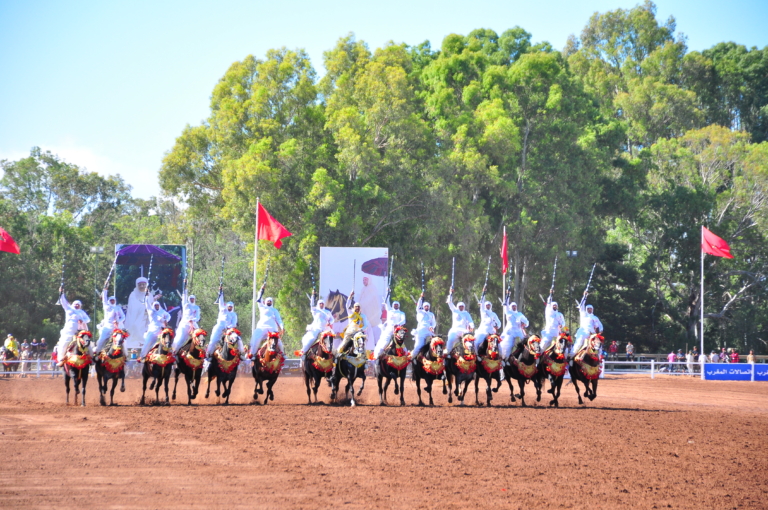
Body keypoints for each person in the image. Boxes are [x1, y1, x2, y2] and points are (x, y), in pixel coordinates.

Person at [55, 289, 90, 366]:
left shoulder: (82, 312)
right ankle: (60, 359)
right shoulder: (68, 308)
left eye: (78, 304)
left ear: (80, 306)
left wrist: (82, 320)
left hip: (80, 332)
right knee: (64, 344)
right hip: (69, 331)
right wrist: (61, 292)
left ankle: (91, 359)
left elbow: (88, 319)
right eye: (75, 304)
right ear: (73, 304)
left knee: (88, 344)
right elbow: (63, 301)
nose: (77, 305)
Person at [299, 292, 334, 364]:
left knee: (330, 342)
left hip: (325, 329)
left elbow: (332, 319)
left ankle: (334, 357)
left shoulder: (327, 312)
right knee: (312, 339)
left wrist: (330, 323)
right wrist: (312, 296)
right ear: (318, 304)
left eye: (322, 304)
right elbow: (311, 304)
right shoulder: (315, 310)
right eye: (320, 304)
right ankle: (303, 353)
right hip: (316, 329)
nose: (321, 305)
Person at [206, 291, 243, 359]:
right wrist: (221, 292)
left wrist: (227, 328)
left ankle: (241, 354)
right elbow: (221, 301)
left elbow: (234, 323)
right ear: (226, 306)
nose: (230, 308)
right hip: (219, 328)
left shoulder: (234, 314)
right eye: (229, 307)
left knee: (238, 339)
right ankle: (208, 355)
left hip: (229, 330)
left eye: (231, 307)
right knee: (212, 341)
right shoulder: (222, 310)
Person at [250, 285, 285, 355]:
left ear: (272, 302)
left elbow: (279, 319)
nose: (269, 302)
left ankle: (283, 354)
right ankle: (252, 354)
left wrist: (282, 327)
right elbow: (259, 299)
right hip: (262, 327)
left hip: (272, 329)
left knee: (279, 343)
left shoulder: (275, 310)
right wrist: (261, 289)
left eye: (270, 301)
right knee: (256, 340)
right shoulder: (262, 307)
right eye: (268, 301)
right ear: (265, 302)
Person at [373, 291, 406, 359]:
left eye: (397, 305)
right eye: (395, 304)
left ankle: (407, 358)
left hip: (397, 330)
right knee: (385, 343)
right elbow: (386, 301)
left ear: (398, 306)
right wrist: (388, 292)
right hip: (389, 329)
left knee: (402, 345)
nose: (396, 305)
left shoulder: (401, 313)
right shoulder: (389, 310)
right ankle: (377, 357)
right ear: (393, 305)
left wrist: (397, 324)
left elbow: (403, 320)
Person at [138, 296, 171, 361]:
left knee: (168, 342)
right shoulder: (151, 311)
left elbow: (169, 316)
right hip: (153, 330)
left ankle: (171, 357)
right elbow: (147, 304)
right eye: (155, 305)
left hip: (162, 330)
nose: (156, 306)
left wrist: (166, 320)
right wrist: (147, 296)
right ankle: (142, 356)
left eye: (157, 305)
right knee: (147, 343)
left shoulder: (162, 311)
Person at [94, 290, 126, 355]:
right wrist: (105, 290)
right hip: (107, 327)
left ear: (115, 301)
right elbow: (104, 299)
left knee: (124, 341)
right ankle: (97, 353)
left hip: (117, 327)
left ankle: (125, 355)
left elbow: (123, 317)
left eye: (113, 300)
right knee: (101, 340)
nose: (112, 301)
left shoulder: (118, 308)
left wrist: (118, 321)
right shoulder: (106, 307)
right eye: (111, 300)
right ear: (109, 301)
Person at [445, 290, 474, 356]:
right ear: (458, 306)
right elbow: (450, 302)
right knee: (450, 340)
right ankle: (448, 354)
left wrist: (472, 327)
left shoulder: (466, 313)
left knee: (470, 341)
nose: (461, 307)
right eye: (460, 306)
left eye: (462, 306)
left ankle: (472, 354)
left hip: (464, 331)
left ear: (464, 307)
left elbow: (470, 321)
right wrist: (450, 293)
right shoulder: (454, 310)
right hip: (455, 330)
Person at [573, 292, 602, 356]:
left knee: (598, 345)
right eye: (588, 309)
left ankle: (598, 358)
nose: (589, 310)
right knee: (578, 344)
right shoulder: (583, 314)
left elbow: (599, 326)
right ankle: (571, 356)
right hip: (582, 332)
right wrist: (585, 296)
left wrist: (599, 333)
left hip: (592, 334)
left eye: (590, 309)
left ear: (592, 309)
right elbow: (582, 305)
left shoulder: (595, 317)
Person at [172, 287, 200, 353]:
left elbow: (198, 317)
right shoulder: (186, 305)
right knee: (180, 339)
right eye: (190, 299)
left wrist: (192, 320)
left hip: (193, 324)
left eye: (193, 299)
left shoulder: (197, 307)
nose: (192, 300)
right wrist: (185, 288)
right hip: (184, 324)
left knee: (200, 337)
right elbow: (184, 297)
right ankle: (174, 351)